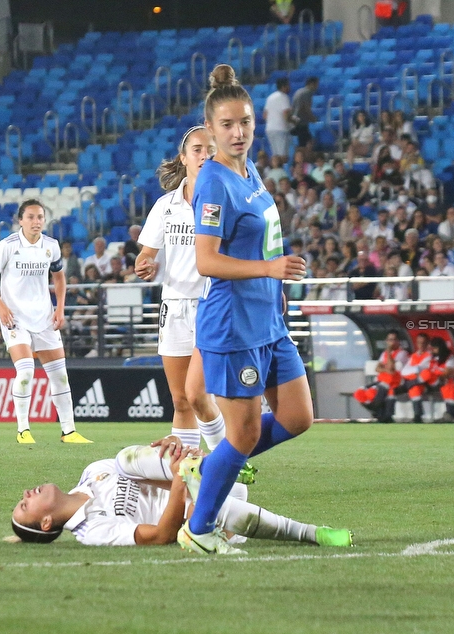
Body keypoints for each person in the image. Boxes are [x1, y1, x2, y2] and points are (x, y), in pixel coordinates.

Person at [179, 64, 313, 555]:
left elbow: (258, 237)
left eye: (247, 122)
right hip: (234, 324)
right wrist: (269, 270)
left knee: (298, 417)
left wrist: (272, 281)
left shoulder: (249, 168)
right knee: (244, 432)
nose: (239, 133)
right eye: (229, 125)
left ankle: (211, 466)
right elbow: (206, 261)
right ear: (210, 130)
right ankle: (199, 528)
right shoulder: (214, 181)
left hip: (268, 319)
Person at [135, 126, 255, 483]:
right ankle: (187, 479)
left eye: (210, 149)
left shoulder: (226, 199)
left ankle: (228, 461)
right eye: (197, 149)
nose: (204, 155)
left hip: (214, 305)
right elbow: (146, 255)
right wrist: (145, 264)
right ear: (184, 158)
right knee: (182, 400)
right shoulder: (165, 206)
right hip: (174, 306)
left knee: (201, 394)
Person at [9, 436, 350, 547]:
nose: (27, 493)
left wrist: (176, 467)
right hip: (201, 522)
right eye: (26, 505)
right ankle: (315, 534)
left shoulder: (91, 474)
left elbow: (144, 476)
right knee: (204, 514)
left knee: (124, 458)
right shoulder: (91, 530)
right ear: (45, 523)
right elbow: (159, 535)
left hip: (191, 487)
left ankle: (207, 467)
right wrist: (180, 484)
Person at [0, 200, 92, 445]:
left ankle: (69, 431)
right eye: (31, 217)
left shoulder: (51, 246)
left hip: (44, 318)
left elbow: (59, 278)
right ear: (20, 221)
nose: (36, 222)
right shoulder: (8, 245)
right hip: (15, 318)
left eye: (40, 217)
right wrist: (0, 306)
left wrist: (60, 308)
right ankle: (23, 430)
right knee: (25, 372)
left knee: (60, 376)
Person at [354, 331, 409, 421]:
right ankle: (375, 410)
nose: (392, 342)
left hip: (395, 382)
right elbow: (377, 368)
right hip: (381, 381)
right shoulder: (383, 354)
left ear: (398, 341)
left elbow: (391, 369)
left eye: (394, 340)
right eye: (390, 340)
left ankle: (379, 413)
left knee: (380, 390)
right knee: (360, 392)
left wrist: (388, 352)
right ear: (386, 341)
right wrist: (385, 368)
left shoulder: (402, 353)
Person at [263, 77, 292, 161]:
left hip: (270, 129)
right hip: (280, 129)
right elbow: (286, 114)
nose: (289, 87)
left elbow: (265, 115)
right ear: (284, 86)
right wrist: (293, 122)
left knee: (275, 155)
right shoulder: (284, 97)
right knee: (283, 156)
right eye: (288, 85)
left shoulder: (270, 97)